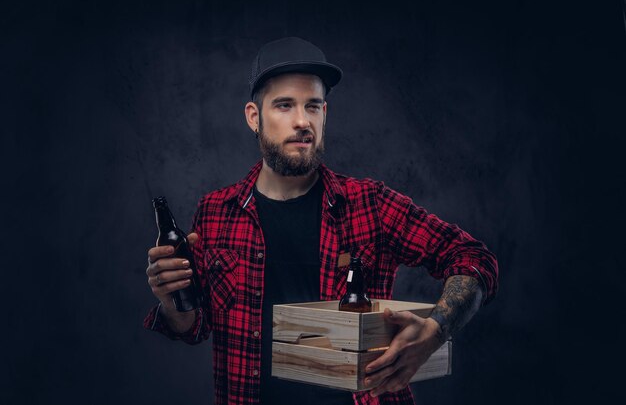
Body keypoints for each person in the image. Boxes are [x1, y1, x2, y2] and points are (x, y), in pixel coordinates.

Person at [144, 37, 498, 405]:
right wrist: (172, 301)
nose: (302, 121)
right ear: (254, 116)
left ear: (324, 113)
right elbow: (196, 326)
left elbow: (474, 258)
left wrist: (434, 331)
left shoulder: (369, 203)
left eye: (312, 106)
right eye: (284, 105)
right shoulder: (216, 212)